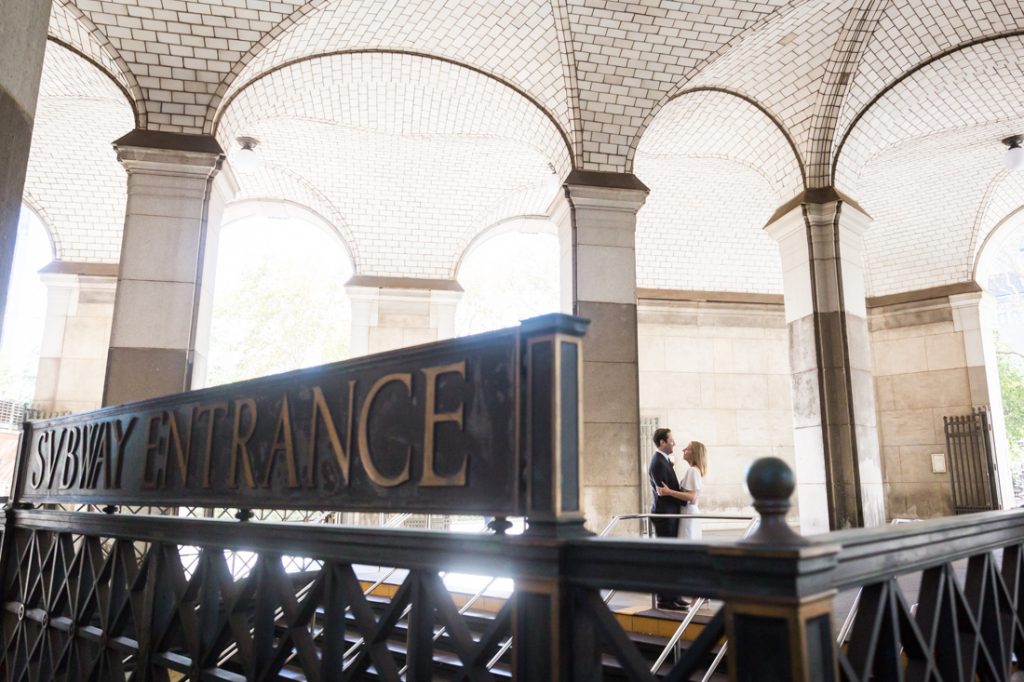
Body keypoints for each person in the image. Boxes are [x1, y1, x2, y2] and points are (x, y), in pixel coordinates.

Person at [647, 427, 688, 611]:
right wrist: (686, 497)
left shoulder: (663, 461)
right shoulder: (657, 462)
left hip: (670, 514)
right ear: (662, 442)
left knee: (674, 557)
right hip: (665, 515)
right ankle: (665, 599)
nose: (674, 443)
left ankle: (675, 596)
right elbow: (664, 493)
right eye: (671, 440)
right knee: (667, 558)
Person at [656, 440, 707, 540]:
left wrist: (668, 492)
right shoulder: (694, 470)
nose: (683, 450)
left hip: (688, 513)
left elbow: (692, 497)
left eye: (687, 449)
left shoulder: (692, 470)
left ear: (694, 454)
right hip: (689, 513)